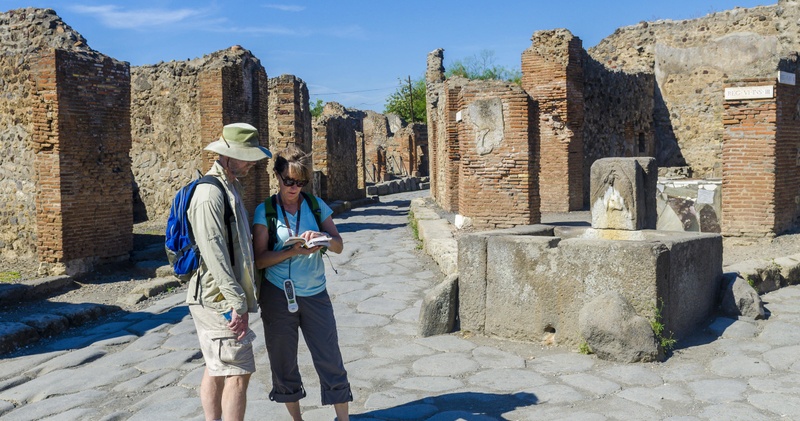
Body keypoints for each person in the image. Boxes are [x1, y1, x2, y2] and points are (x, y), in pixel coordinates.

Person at [253, 145, 352, 421]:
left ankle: (343, 419)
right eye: (289, 181)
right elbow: (259, 259)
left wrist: (321, 237)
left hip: (315, 293)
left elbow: (338, 246)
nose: (294, 187)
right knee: (283, 361)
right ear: (277, 176)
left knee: (329, 356)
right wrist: (292, 251)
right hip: (278, 295)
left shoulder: (315, 205)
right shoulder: (266, 211)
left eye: (300, 182)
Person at [186, 122, 271, 421]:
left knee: (216, 367)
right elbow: (214, 254)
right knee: (238, 371)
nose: (251, 162)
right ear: (226, 155)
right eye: (246, 155)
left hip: (219, 295)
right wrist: (236, 301)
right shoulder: (210, 194)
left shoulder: (230, 185)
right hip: (218, 298)